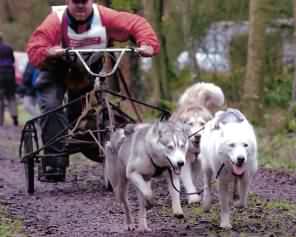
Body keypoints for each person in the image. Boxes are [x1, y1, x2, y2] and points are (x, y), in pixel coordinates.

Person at [26, 0, 160, 182]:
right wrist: (48, 51)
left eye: (84, 2)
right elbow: (34, 48)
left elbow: (136, 23)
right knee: (51, 106)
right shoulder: (55, 21)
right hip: (55, 70)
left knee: (80, 113)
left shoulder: (105, 16)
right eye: (76, 2)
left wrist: (147, 44)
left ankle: (101, 145)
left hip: (86, 72)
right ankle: (54, 160)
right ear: (68, 2)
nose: (80, 6)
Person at [0, 32, 19, 127]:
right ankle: (15, 117)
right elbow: (13, 60)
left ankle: (0, 120)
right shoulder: (8, 48)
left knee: (0, 98)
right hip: (10, 75)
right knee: (11, 96)